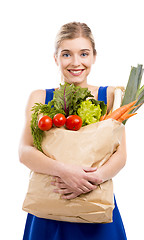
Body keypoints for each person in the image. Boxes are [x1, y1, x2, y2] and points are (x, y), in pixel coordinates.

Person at [19, 22, 127, 240]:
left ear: (94, 56)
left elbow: (121, 154)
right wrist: (65, 172)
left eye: (84, 54)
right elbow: (24, 151)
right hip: (49, 207)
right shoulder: (40, 98)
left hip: (94, 205)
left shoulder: (111, 96)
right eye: (66, 54)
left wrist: (90, 180)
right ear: (56, 58)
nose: (76, 63)